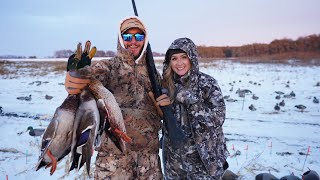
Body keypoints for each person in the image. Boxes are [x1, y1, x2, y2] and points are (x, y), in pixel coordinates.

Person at [65, 16, 163, 179]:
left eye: (139, 37)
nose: (133, 41)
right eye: (127, 37)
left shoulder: (153, 75)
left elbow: (163, 109)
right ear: (120, 38)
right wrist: (76, 76)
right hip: (114, 162)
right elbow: (81, 84)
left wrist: (164, 105)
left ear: (145, 40)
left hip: (149, 163)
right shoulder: (108, 67)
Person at [156, 37, 229, 179]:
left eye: (184, 57)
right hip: (175, 164)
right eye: (174, 59)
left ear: (192, 58)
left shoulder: (207, 84)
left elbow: (218, 118)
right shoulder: (165, 87)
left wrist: (187, 98)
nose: (179, 63)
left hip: (204, 163)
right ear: (169, 62)